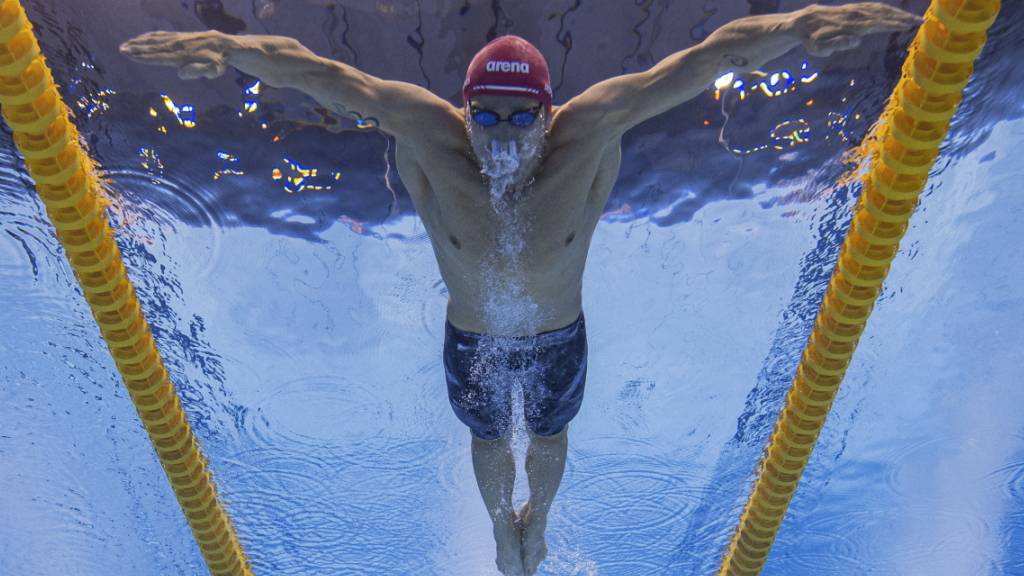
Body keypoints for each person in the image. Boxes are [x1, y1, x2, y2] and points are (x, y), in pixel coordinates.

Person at [119, 3, 920, 574]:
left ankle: (539, 529)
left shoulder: (591, 125)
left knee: (550, 439)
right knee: (486, 440)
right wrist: (225, 50)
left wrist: (796, 26)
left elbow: (706, 58)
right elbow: (320, 73)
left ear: (547, 111)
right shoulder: (429, 128)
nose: (501, 141)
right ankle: (505, 536)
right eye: (486, 121)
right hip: (472, 337)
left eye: (518, 121)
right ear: (465, 110)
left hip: (557, 337)